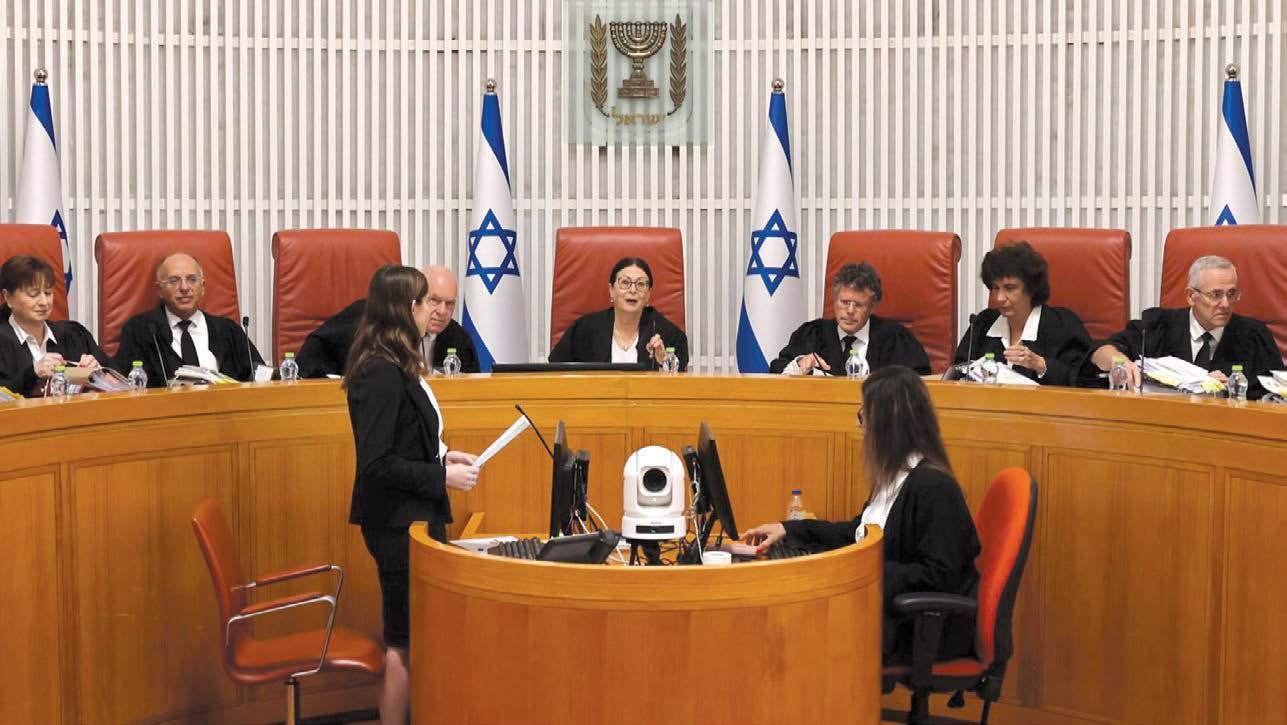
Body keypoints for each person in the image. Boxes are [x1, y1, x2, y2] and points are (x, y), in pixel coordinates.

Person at [741, 366, 980, 663]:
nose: (859, 424)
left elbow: (938, 575)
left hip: (919, 630)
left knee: (786, 624)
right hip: (882, 608)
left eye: (863, 416)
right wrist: (790, 529)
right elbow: (859, 534)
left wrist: (856, 570)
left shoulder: (934, 487)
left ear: (887, 424)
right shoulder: (895, 476)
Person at [344, 264, 481, 725]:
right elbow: (377, 463)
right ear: (407, 308)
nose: (431, 312)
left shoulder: (398, 363)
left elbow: (408, 437)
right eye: (425, 303)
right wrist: (440, 477)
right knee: (402, 640)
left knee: (415, 636)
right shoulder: (379, 373)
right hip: (397, 523)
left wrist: (443, 457)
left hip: (415, 517)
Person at [1087, 255, 1281, 399]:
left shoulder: (1254, 335)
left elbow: (1274, 397)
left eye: (1231, 294)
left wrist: (1226, 393)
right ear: (1191, 296)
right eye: (1216, 295)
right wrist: (1120, 362)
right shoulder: (1158, 325)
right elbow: (1099, 351)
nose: (1225, 304)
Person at [296, 265, 479, 378]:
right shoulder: (368, 319)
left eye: (450, 304)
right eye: (433, 301)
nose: (442, 311)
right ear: (414, 298)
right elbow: (312, 356)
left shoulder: (458, 338)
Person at [952, 241, 1091, 385]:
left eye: (1009, 288)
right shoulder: (983, 323)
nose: (999, 298)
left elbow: (1083, 379)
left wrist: (1040, 365)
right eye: (995, 288)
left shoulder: (1063, 325)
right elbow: (957, 374)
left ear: (1031, 288)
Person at [115, 252, 264, 386]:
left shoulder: (228, 330)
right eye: (174, 281)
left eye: (192, 279)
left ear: (203, 287)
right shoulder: (140, 331)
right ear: (160, 290)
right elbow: (123, 385)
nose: (184, 288)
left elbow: (262, 375)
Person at [770, 262, 930, 375]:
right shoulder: (812, 334)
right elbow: (776, 369)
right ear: (835, 300)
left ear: (872, 306)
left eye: (859, 305)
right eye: (845, 302)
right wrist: (800, 363)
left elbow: (919, 381)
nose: (850, 311)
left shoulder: (896, 339)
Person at [548, 257, 689, 370]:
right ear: (611, 290)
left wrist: (663, 361)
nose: (632, 290)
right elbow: (555, 370)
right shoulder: (585, 329)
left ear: (648, 294)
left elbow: (679, 383)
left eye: (640, 284)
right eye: (625, 283)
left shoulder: (668, 335)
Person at [0, 255, 112, 395]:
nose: (44, 302)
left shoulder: (73, 334)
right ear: (8, 297)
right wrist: (33, 374)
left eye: (48, 293)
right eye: (33, 294)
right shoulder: (3, 342)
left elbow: (119, 381)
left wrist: (97, 373)